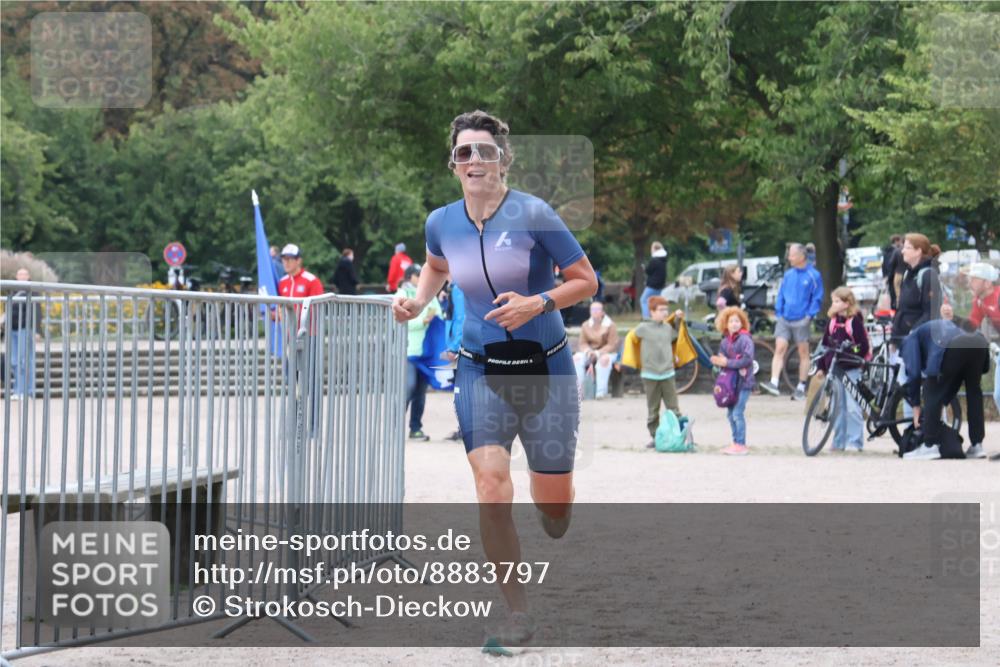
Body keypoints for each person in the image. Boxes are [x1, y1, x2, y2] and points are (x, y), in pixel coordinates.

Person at [391, 110, 598, 646]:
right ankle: (516, 613)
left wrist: (538, 302)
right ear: (453, 164)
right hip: (480, 370)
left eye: (485, 151)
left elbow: (586, 281)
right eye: (464, 153)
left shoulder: (535, 214)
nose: (475, 161)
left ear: (503, 159)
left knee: (554, 508)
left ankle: (552, 498)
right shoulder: (441, 221)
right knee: (489, 487)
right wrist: (416, 301)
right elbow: (438, 265)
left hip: (546, 369)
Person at [901, 318, 989, 460]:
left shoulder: (910, 339)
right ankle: (977, 445)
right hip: (979, 342)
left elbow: (914, 373)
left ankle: (930, 446)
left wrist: (916, 405)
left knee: (930, 388)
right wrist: (942, 402)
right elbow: (953, 379)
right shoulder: (939, 328)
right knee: (974, 392)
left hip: (956, 345)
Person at [760, 243, 823, 400]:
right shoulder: (788, 274)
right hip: (784, 318)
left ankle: (801, 387)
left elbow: (817, 297)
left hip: (802, 320)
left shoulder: (814, 276)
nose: (789, 257)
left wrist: (809, 316)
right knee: (780, 348)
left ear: (802, 256)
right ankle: (774, 383)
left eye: (792, 255)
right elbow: (781, 293)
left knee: (803, 353)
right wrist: (779, 312)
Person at [941, 262, 1000, 417]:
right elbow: (972, 326)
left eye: (974, 279)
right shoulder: (979, 301)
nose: (970, 282)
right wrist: (953, 317)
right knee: (998, 396)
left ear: (987, 283)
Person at [816, 286, 870, 453]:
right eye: (833, 301)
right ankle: (839, 441)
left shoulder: (854, 322)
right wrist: (821, 366)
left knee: (853, 407)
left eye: (837, 301)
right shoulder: (832, 322)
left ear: (847, 304)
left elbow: (862, 346)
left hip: (851, 369)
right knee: (836, 407)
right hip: (835, 370)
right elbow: (825, 345)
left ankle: (855, 442)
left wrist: (848, 353)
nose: (834, 304)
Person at [634, 296, 685, 448]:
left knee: (674, 408)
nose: (664, 313)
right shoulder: (642, 328)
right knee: (653, 409)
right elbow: (632, 340)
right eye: (661, 310)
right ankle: (656, 437)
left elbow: (678, 336)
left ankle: (680, 436)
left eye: (666, 310)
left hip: (668, 373)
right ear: (652, 312)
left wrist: (677, 320)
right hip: (650, 374)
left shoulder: (668, 328)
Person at [396, 264, 439, 441]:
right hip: (408, 351)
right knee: (409, 388)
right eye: (417, 275)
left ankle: (415, 428)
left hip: (425, 352)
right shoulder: (401, 294)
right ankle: (395, 427)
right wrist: (423, 321)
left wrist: (430, 318)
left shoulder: (427, 293)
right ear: (409, 277)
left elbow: (438, 312)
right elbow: (402, 320)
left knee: (421, 392)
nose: (421, 277)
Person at [710, 306, 755, 455]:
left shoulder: (745, 339)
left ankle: (741, 444)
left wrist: (727, 362)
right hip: (730, 385)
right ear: (725, 324)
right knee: (730, 414)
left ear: (742, 323)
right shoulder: (725, 342)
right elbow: (721, 359)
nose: (734, 324)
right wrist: (717, 361)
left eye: (737, 321)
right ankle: (735, 442)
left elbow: (747, 359)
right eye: (731, 321)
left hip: (744, 383)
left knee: (737, 413)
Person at [891, 233, 942, 348]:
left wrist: (913, 332)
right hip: (903, 339)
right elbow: (903, 309)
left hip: (919, 342)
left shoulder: (928, 275)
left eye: (907, 248)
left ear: (918, 251)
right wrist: (894, 338)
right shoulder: (908, 273)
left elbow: (931, 312)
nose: (902, 251)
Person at [573, 301, 620, 399]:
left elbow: (612, 344)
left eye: (597, 309)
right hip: (589, 352)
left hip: (607, 353)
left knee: (604, 360)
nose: (595, 311)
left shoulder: (611, 325)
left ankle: (601, 392)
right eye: (592, 309)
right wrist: (588, 351)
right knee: (576, 358)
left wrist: (598, 353)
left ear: (602, 312)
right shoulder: (585, 325)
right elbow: (582, 343)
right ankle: (579, 392)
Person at [7, 268, 40, 400]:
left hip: (25, 329)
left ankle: (28, 391)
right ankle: (18, 390)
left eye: (24, 274)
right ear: (16, 276)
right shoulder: (12, 291)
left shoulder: (33, 291)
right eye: (19, 274)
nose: (22, 276)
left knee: (25, 361)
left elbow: (37, 312)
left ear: (28, 276)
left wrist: (37, 330)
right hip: (12, 329)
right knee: (14, 361)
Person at [442, 282, 466, 442]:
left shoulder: (458, 287)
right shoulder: (454, 286)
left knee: (462, 392)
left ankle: (464, 429)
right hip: (463, 343)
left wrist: (454, 346)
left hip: (462, 346)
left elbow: (460, 317)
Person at [640, 241, 668, 319]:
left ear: (655, 249)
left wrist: (644, 268)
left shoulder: (654, 260)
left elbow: (649, 271)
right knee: (656, 302)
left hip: (652, 285)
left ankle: (647, 318)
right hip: (660, 285)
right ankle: (657, 317)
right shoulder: (663, 260)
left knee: (644, 300)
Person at [882, 234, 904, 310]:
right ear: (896, 241)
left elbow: (885, 265)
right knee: (899, 295)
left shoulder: (887, 252)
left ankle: (895, 312)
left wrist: (886, 276)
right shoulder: (899, 251)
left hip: (892, 277)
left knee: (894, 296)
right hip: (898, 275)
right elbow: (890, 265)